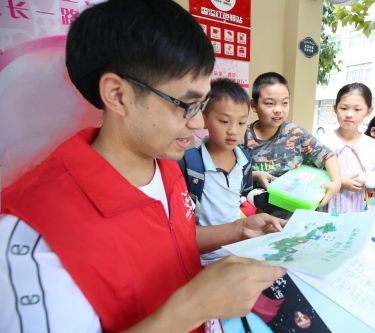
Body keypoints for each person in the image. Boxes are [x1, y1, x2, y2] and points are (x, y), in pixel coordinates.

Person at [0, 1, 287, 332]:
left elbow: (173, 242)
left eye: (202, 104)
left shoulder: (166, 164)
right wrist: (193, 308)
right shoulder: (32, 238)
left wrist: (237, 231)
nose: (198, 123)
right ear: (119, 96)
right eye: (186, 105)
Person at [242, 72, 341, 219]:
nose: (278, 109)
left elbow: (327, 155)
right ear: (254, 105)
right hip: (258, 217)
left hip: (296, 216)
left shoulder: (296, 133)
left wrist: (337, 183)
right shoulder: (242, 136)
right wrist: (255, 176)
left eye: (284, 103)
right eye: (269, 103)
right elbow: (231, 175)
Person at [178, 78, 253, 265]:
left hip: (237, 252)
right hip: (202, 258)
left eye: (242, 123)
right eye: (224, 121)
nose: (233, 131)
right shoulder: (189, 163)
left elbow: (242, 196)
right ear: (204, 119)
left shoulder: (245, 160)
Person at [322, 83, 375, 214]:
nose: (349, 114)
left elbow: (373, 183)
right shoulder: (320, 141)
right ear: (335, 108)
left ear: (368, 111)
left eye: (357, 109)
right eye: (344, 108)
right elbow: (306, 175)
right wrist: (339, 182)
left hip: (352, 214)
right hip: (319, 211)